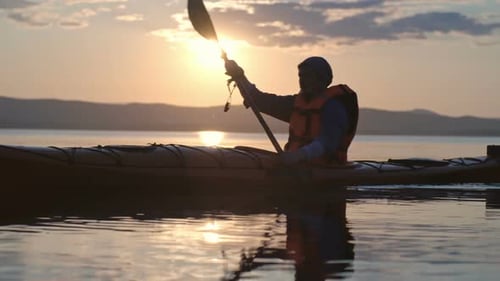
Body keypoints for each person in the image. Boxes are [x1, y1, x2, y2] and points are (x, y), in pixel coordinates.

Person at [224, 56, 359, 166]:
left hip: (327, 169)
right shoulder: (296, 104)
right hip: (297, 166)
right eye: (301, 76)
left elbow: (328, 142)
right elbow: (259, 100)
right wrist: (239, 76)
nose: (303, 81)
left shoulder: (334, 107)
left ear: (323, 79)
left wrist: (299, 155)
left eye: (309, 76)